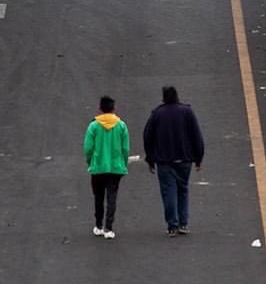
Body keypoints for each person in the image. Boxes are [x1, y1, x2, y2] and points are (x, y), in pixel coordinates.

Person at [142, 86, 205, 236]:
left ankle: (172, 225)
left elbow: (147, 137)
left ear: (163, 98)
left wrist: (150, 159)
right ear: (177, 96)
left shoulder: (157, 114)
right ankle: (183, 223)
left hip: (164, 161)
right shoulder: (187, 111)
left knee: (168, 191)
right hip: (185, 160)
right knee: (183, 190)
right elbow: (197, 136)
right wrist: (198, 158)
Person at [84, 94, 130, 240]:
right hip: (115, 168)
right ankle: (108, 228)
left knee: (98, 196)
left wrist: (90, 162)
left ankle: (98, 225)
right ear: (113, 108)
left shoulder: (93, 125)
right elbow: (125, 149)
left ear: (100, 109)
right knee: (112, 197)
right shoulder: (121, 125)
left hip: (98, 167)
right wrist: (123, 163)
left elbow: (88, 148)